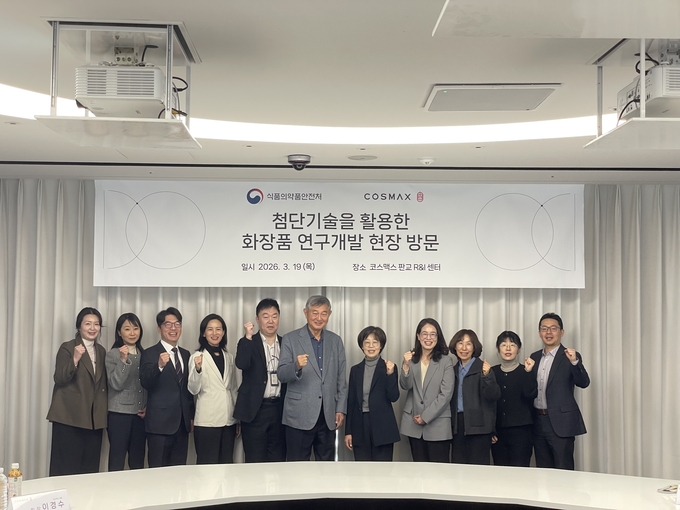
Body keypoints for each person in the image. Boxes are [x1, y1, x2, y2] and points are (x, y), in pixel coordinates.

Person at [278, 295, 347, 461]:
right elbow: (281, 374)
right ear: (305, 312)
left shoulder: (336, 341)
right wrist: (296, 366)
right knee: (297, 466)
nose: (319, 318)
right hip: (299, 415)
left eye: (324, 313)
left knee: (326, 466)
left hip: (328, 415)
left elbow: (341, 378)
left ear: (329, 314)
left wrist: (340, 409)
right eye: (314, 312)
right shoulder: (290, 339)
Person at [47, 307, 108, 476]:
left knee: (89, 470)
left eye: (96, 324)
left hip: (93, 419)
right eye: (87, 324)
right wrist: (75, 359)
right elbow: (59, 378)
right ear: (79, 327)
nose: (92, 328)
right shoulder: (68, 347)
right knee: (66, 468)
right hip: (69, 417)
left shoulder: (101, 351)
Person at [529, 313, 590, 470]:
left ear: (562, 332)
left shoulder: (569, 356)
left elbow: (583, 382)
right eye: (544, 328)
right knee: (543, 470)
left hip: (561, 422)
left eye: (553, 328)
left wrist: (574, 362)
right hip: (538, 421)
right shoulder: (534, 357)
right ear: (539, 333)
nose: (548, 332)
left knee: (564, 469)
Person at [140, 307, 195, 468]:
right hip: (159, 425)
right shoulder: (150, 353)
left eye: (177, 324)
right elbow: (145, 382)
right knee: (158, 473)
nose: (173, 328)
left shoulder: (186, 354)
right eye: (168, 324)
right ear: (159, 329)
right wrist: (158, 366)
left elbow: (187, 390)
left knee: (179, 472)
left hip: (182, 425)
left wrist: (190, 416)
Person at [234, 298, 286, 462]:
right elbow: (241, 364)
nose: (270, 321)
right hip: (255, 410)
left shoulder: (286, 343)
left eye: (274, 316)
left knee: (277, 459)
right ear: (257, 319)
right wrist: (248, 337)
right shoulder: (248, 341)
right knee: (254, 460)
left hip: (279, 409)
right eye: (265, 316)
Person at [400, 318, 454, 463]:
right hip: (413, 423)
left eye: (432, 334)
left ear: (438, 337)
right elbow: (406, 386)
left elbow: (446, 394)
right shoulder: (411, 359)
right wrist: (405, 366)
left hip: (438, 424)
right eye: (424, 334)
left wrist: (426, 416)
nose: (428, 338)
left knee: (439, 471)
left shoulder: (446, 361)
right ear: (418, 336)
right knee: (418, 471)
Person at [187, 313, 238, 464]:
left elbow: (233, 388)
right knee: (207, 467)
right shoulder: (197, 356)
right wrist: (197, 369)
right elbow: (193, 389)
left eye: (218, 329)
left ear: (223, 332)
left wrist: (237, 418)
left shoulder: (229, 357)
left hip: (228, 420)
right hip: (207, 421)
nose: (214, 333)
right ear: (203, 333)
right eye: (210, 329)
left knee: (226, 465)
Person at [344, 326, 400, 461]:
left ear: (381, 346)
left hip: (383, 426)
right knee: (362, 469)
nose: (371, 346)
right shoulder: (355, 370)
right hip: (360, 426)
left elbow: (394, 397)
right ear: (362, 346)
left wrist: (390, 374)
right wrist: (348, 432)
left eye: (375, 342)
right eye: (367, 342)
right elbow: (351, 402)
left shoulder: (389, 367)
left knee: (382, 470)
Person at [449, 329, 501, 465]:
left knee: (478, 471)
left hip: (480, 427)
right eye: (460, 343)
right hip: (457, 426)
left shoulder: (483, 368)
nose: (464, 348)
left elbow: (494, 396)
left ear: (474, 347)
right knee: (458, 469)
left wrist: (487, 376)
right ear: (455, 346)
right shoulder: (451, 370)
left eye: (469, 344)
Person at [105, 312, 147, 471]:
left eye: (136, 328)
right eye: (127, 329)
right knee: (117, 460)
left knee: (138, 461)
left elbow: (146, 384)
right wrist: (123, 360)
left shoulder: (145, 354)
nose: (132, 333)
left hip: (140, 415)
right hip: (119, 414)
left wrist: (147, 406)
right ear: (119, 332)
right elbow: (116, 383)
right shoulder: (113, 354)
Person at [490, 331, 537, 467]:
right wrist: (491, 430)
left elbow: (530, 394)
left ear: (519, 349)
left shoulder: (526, 370)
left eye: (512, 345)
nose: (508, 348)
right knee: (501, 473)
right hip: (498, 433)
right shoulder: (492, 372)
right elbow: (488, 404)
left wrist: (529, 372)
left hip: (522, 432)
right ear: (498, 349)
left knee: (520, 472)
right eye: (503, 345)